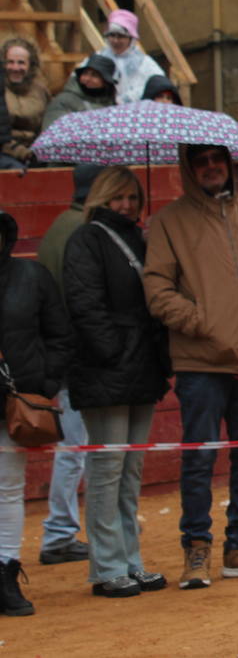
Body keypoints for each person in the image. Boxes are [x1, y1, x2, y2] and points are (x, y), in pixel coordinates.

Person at [143, 143, 238, 590]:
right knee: (199, 460)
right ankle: (197, 550)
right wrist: (202, 324)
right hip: (200, 364)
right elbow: (157, 289)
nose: (211, 168)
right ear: (189, 169)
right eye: (201, 161)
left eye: (217, 160)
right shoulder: (169, 222)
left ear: (229, 165)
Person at [62, 166, 169, 598]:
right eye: (118, 198)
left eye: (132, 198)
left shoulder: (140, 241)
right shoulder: (86, 240)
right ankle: (107, 566)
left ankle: (131, 559)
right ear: (102, 199)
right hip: (106, 368)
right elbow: (85, 306)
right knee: (107, 469)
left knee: (130, 471)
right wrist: (113, 352)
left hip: (139, 366)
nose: (126, 205)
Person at [0, 208, 75, 616]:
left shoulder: (32, 278)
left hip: (16, 402)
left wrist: (43, 387)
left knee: (9, 489)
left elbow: (60, 335)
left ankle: (6, 572)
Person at [34, 165, 104, 568]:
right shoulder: (80, 230)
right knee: (76, 447)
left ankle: (70, 528)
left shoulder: (62, 225)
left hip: (62, 352)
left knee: (76, 445)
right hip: (76, 355)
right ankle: (60, 532)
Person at [98, 10, 165, 105]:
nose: (115, 41)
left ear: (131, 39)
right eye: (112, 35)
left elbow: (159, 85)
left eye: (121, 36)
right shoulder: (99, 58)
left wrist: (129, 97)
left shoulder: (145, 63)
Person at [2, 35, 49, 169]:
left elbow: (45, 125)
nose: (15, 68)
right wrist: (23, 152)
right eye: (10, 62)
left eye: (21, 62)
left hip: (35, 150)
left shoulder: (41, 91)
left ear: (30, 65)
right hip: (6, 152)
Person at [42, 55, 117, 129]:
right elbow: (52, 131)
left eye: (94, 75)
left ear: (105, 82)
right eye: (85, 73)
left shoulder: (113, 106)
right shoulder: (64, 101)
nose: (87, 78)